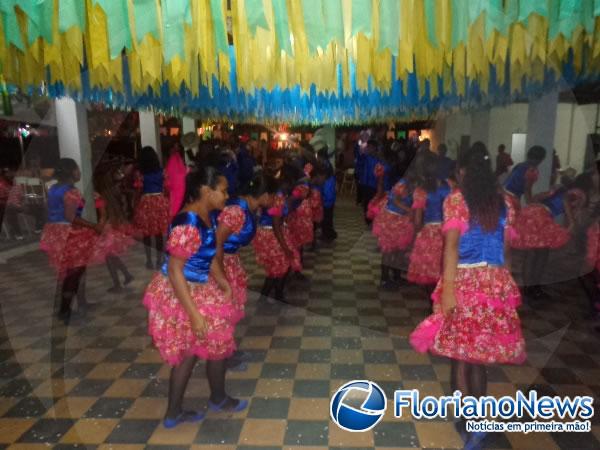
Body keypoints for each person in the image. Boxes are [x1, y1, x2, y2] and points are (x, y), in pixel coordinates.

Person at [410, 143, 526, 449]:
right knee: (480, 359)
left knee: (461, 359)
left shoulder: (458, 200)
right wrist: (506, 287)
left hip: (465, 282)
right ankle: (479, 422)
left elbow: (450, 248)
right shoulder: (505, 202)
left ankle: (466, 423)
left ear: (462, 171)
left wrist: (447, 292)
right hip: (495, 283)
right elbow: (507, 251)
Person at [143, 166, 247, 429]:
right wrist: (194, 314)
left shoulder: (206, 215)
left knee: (210, 346)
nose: (226, 195)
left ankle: (181, 410)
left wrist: (223, 283)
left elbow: (207, 255)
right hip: (182, 291)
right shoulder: (188, 223)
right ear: (206, 190)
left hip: (198, 287)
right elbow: (176, 271)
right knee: (195, 349)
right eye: (222, 191)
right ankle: (211, 400)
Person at [40, 158, 103, 323]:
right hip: (70, 233)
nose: (79, 172)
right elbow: (70, 216)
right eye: (77, 169)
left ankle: (81, 303)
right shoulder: (71, 191)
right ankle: (64, 310)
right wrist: (93, 226)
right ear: (71, 172)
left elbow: (54, 210)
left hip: (56, 232)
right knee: (74, 273)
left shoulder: (53, 188)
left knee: (75, 270)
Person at [407, 154, 451, 294]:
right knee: (444, 268)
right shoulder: (449, 188)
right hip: (447, 232)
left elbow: (418, 220)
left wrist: (417, 233)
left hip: (429, 232)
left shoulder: (421, 191)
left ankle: (432, 303)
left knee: (428, 271)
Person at [253, 178, 302, 304]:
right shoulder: (277, 198)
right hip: (272, 234)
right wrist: (285, 248)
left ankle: (274, 294)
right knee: (279, 266)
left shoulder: (277, 196)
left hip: (268, 233)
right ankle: (269, 296)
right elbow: (276, 224)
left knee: (278, 267)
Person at [93, 168, 135, 293]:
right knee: (111, 256)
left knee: (108, 257)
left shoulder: (99, 196)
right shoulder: (112, 192)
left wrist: (98, 228)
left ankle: (118, 283)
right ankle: (126, 275)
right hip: (114, 226)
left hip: (107, 228)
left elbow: (103, 214)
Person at [372, 175, 414, 290]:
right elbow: (394, 200)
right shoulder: (402, 182)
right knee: (388, 250)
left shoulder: (413, 183)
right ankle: (384, 279)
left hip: (401, 219)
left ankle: (396, 276)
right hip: (391, 218)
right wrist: (409, 210)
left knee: (399, 249)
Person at [133, 146, 170, 270]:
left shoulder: (140, 174)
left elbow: (138, 190)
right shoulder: (162, 171)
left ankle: (149, 261)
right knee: (159, 234)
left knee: (147, 234)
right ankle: (159, 260)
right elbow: (166, 187)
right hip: (160, 201)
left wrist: (135, 205)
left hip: (146, 202)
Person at [320, 156, 338, 241]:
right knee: (327, 220)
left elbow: (328, 194)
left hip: (327, 203)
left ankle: (328, 235)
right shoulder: (330, 179)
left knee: (326, 220)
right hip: (327, 202)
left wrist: (322, 200)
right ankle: (328, 234)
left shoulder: (329, 181)